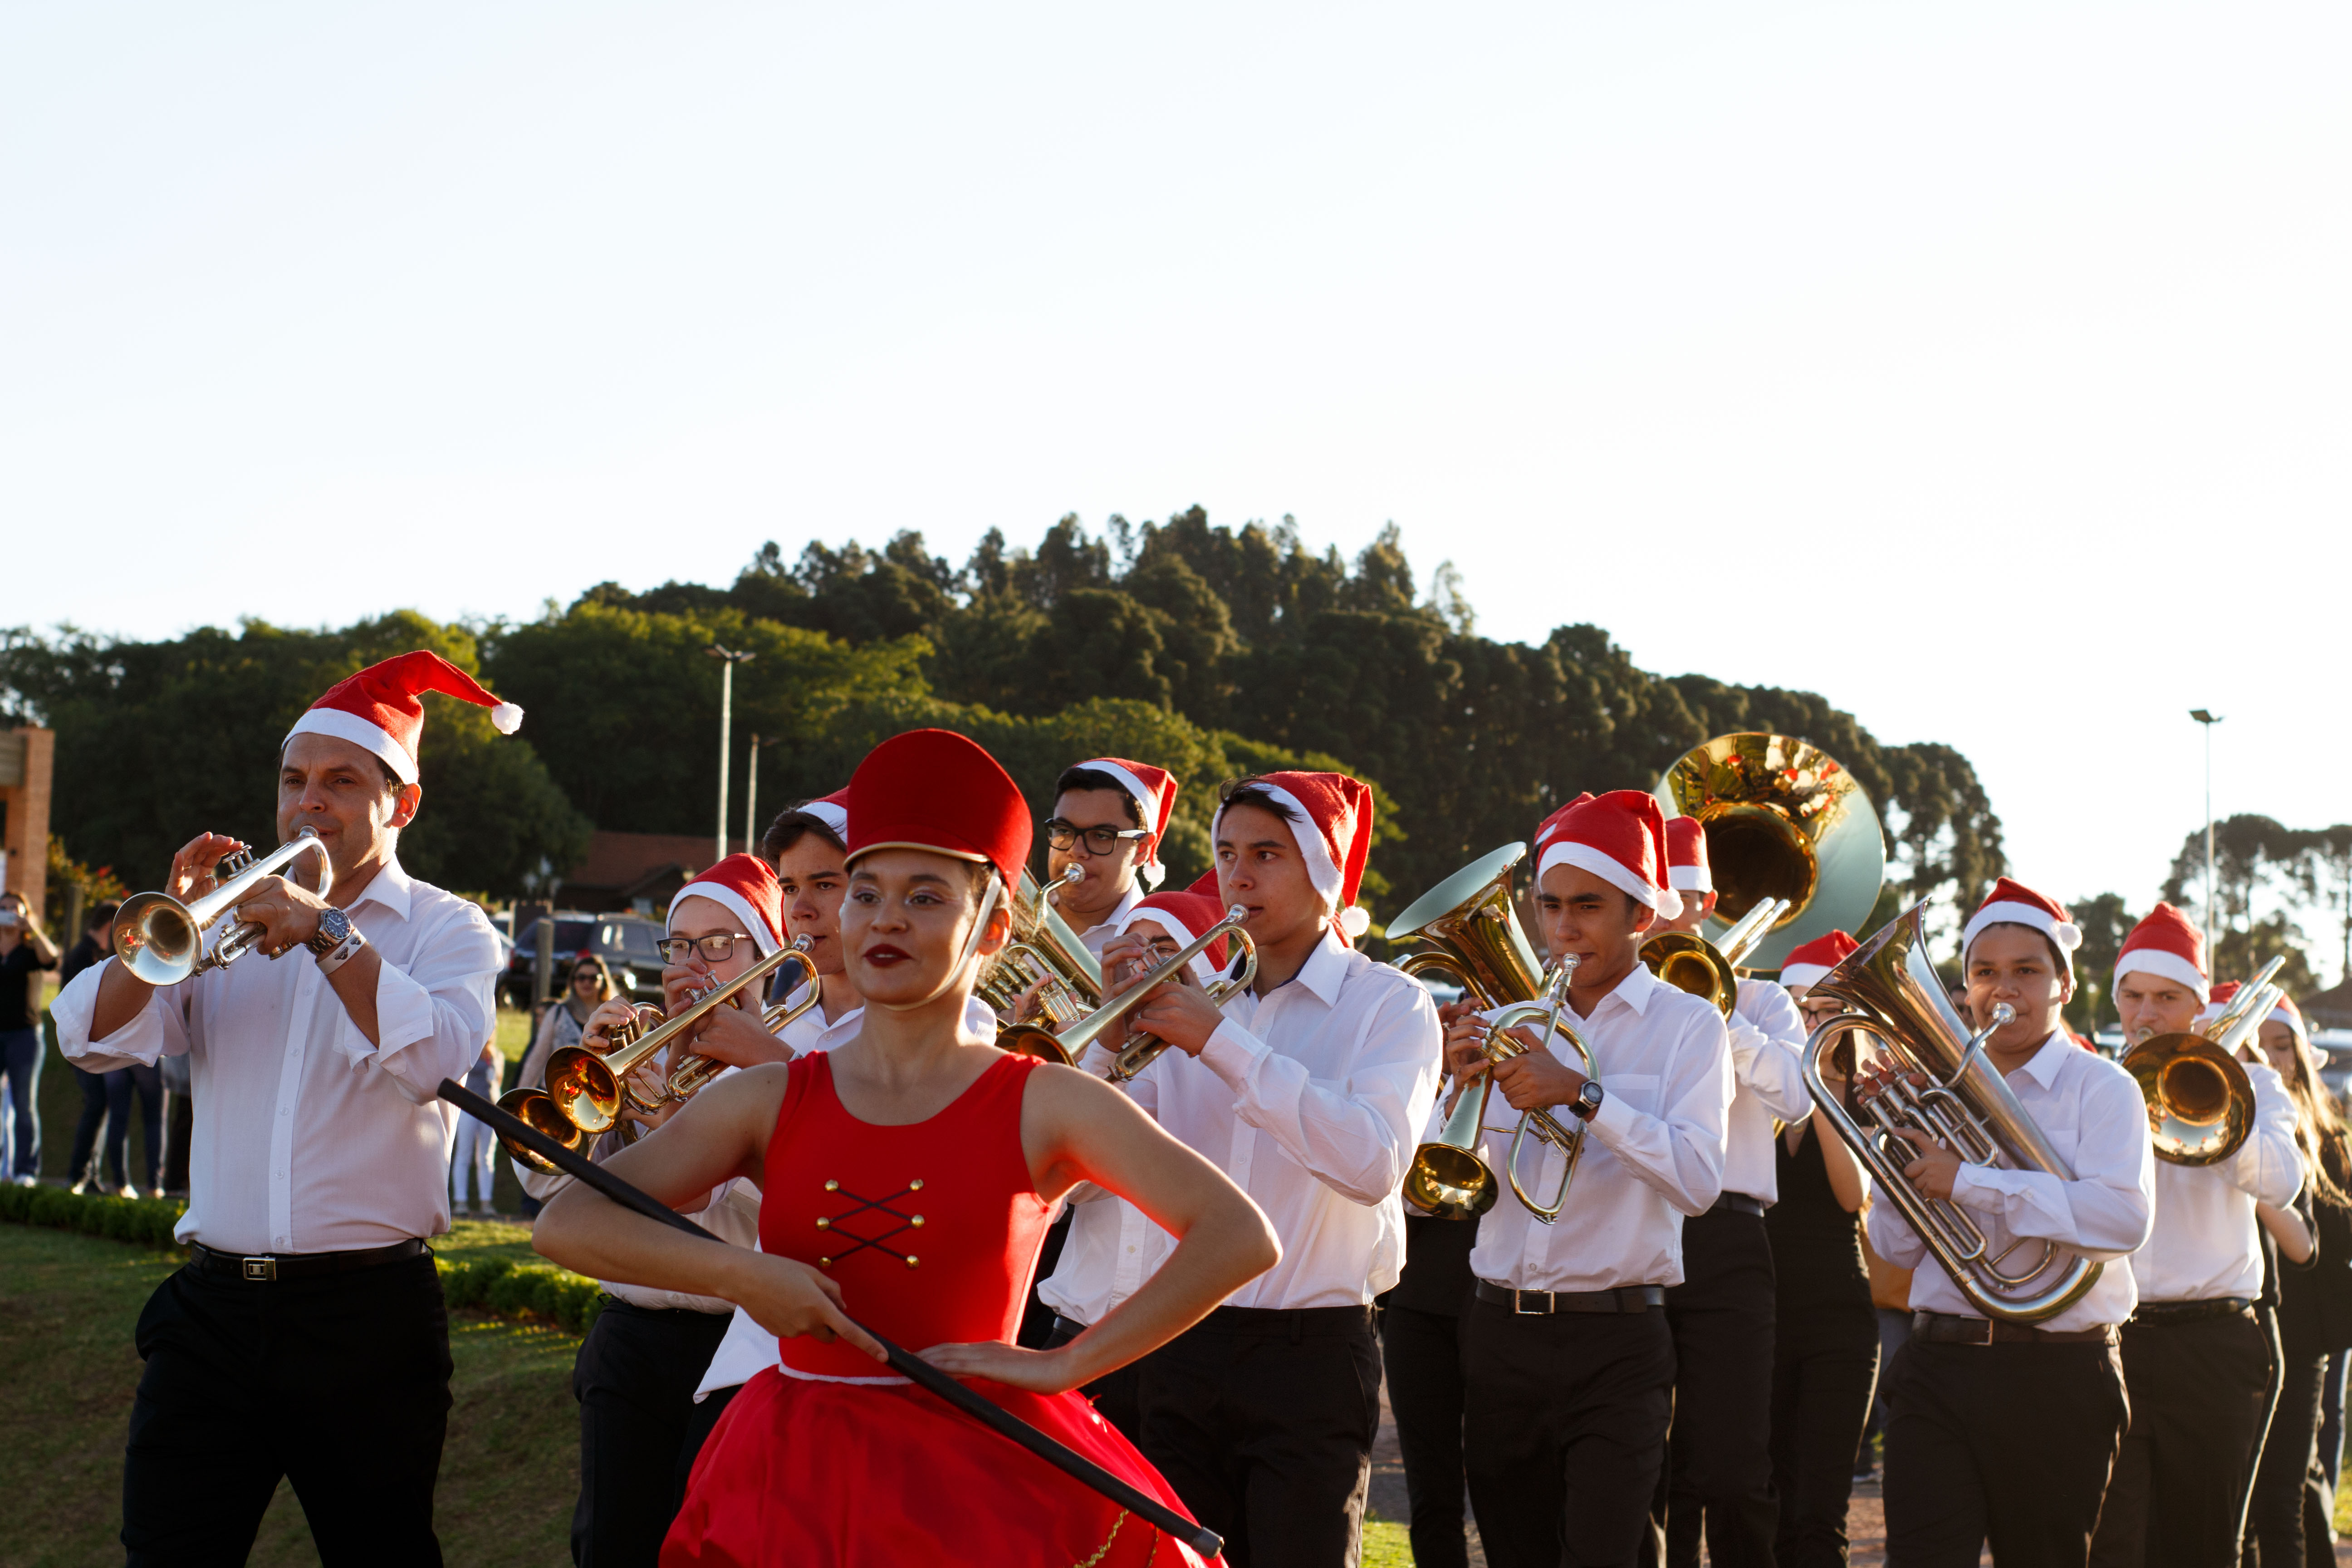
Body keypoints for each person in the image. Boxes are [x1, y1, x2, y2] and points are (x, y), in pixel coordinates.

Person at [531, 726, 1275, 1566]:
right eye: (865, 893)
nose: (886, 918)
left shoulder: (1046, 1100)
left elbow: (1238, 1235)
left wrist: (1066, 1365)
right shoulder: (770, 1097)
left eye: (926, 897)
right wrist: (739, 1274)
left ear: (994, 926)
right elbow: (568, 1223)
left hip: (977, 1480)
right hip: (791, 1476)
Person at [49, 650, 514, 1563]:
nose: (310, 803)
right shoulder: (229, 917)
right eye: (294, 780)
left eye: (342, 782)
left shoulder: (449, 928)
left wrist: (327, 932)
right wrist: (173, 930)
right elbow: (86, 1039)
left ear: (402, 805)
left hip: (366, 1318)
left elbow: (433, 1061)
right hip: (212, 1313)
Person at [1084, 769, 1444, 1567]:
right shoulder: (1189, 998)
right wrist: (1106, 1042)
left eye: (1266, 854)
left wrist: (1223, 1044)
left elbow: (1373, 1164)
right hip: (1179, 1337)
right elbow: (1080, 1176)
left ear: (1324, 872)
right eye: (1225, 853)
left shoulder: (1390, 1003)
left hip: (1312, 1355)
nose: (1236, 876)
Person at [675, 789, 1004, 1499]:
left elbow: (921, 1184)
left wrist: (773, 1068)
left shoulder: (968, 1030)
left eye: (828, 885)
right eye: (790, 887)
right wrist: (665, 1091)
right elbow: (695, 1195)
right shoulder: (779, 1023)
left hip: (899, 1377)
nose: (800, 908)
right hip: (759, 1364)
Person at [1446, 790, 1733, 1568]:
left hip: (1619, 1339)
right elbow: (1446, 1185)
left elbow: (1699, 1181)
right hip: (1499, 1329)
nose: (1563, 928)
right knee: (1514, 1553)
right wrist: (1451, 1091)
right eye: (1550, 906)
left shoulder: (1690, 1025)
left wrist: (1584, 1095)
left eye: (1588, 906)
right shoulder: (1508, 1022)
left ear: (1641, 913)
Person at [1867, 878, 2155, 1568]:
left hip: (2058, 1375)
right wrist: (1895, 1152)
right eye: (1985, 973)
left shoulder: (2104, 1088)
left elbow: (2123, 1220)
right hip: (1938, 1363)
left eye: (2027, 972)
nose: (2004, 990)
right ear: (1965, 987)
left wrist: (1969, 1181)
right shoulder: (1930, 1087)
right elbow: (1894, 1247)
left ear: (2064, 984)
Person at [518, 854, 795, 1568]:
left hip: (740, 1344)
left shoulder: (795, 1062)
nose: (692, 964)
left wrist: (664, 1110)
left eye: (718, 944)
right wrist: (586, 1082)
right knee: (611, 1545)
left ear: (764, 960)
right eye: (680, 945)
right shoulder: (642, 1050)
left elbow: (729, 1197)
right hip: (631, 1335)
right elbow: (544, 1189)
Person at [2090, 904, 2303, 1568]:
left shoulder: (2254, 1083)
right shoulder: (2096, 1084)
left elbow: (2282, 1184)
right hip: (2113, 1342)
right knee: (2111, 1547)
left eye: (2166, 998)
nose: (2146, 1013)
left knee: (2204, 1547)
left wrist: (2214, 1093)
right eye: (2133, 996)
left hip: (2213, 1346)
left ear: (2198, 1005)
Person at [1639, 817, 1813, 1568]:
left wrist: (1714, 1014)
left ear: (1706, 903)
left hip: (1727, 1236)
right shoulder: (1612, 1000)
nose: (1658, 916)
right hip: (1636, 1224)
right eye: (1644, 898)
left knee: (1735, 1466)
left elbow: (1797, 1097)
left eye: (1671, 900)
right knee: (1645, 1464)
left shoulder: (1762, 1002)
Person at [1037, 887, 1235, 1444]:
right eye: (1131, 948)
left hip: (1182, 1350)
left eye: (1166, 949)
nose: (1143, 963)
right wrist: (1104, 1046)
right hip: (1076, 1334)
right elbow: (1071, 1188)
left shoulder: (1232, 1067)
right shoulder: (1099, 1056)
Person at [1770, 930, 1880, 1568]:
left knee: (1819, 1512)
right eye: (1796, 1007)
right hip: (1761, 1311)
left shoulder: (1868, 1095)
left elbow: (1851, 1195)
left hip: (1838, 1317)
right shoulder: (1752, 1089)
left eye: (1823, 1009)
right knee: (1762, 1500)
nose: (1808, 1021)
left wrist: (1815, 1087)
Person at [2241, 993, 2352, 1568]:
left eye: (2281, 1046)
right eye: (2258, 1048)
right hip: (2248, 1330)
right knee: (2258, 1497)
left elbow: (2324, 1250)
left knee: (2292, 1486)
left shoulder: (2329, 1138)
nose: (2270, 1058)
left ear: (2302, 1055)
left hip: (2309, 1336)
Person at [1042, 758, 1177, 956]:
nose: (1076, 851)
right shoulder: (1010, 911)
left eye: (1101, 836)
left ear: (1142, 849)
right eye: (1064, 830)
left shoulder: (1158, 950)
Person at [0, 888, 60, 1185]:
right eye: (5, 908)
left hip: (25, 1035)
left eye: (16, 908)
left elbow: (52, 959)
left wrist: (32, 929)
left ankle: (26, 1171)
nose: (10, 913)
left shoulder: (30, 950)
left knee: (24, 1104)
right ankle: (4, 1170)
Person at [519, 953, 617, 1097]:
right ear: (573, 982)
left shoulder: (612, 1015)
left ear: (604, 982)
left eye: (593, 978)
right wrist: (521, 1095)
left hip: (597, 1096)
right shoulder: (557, 1012)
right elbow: (537, 1058)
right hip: (556, 1093)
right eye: (581, 978)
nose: (587, 983)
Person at [449, 1039, 503, 1218]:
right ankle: (461, 1201)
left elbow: (498, 1081)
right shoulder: (468, 1051)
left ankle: (486, 1202)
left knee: (486, 1157)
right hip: (468, 1109)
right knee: (464, 1154)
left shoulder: (496, 1055)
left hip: (490, 1109)